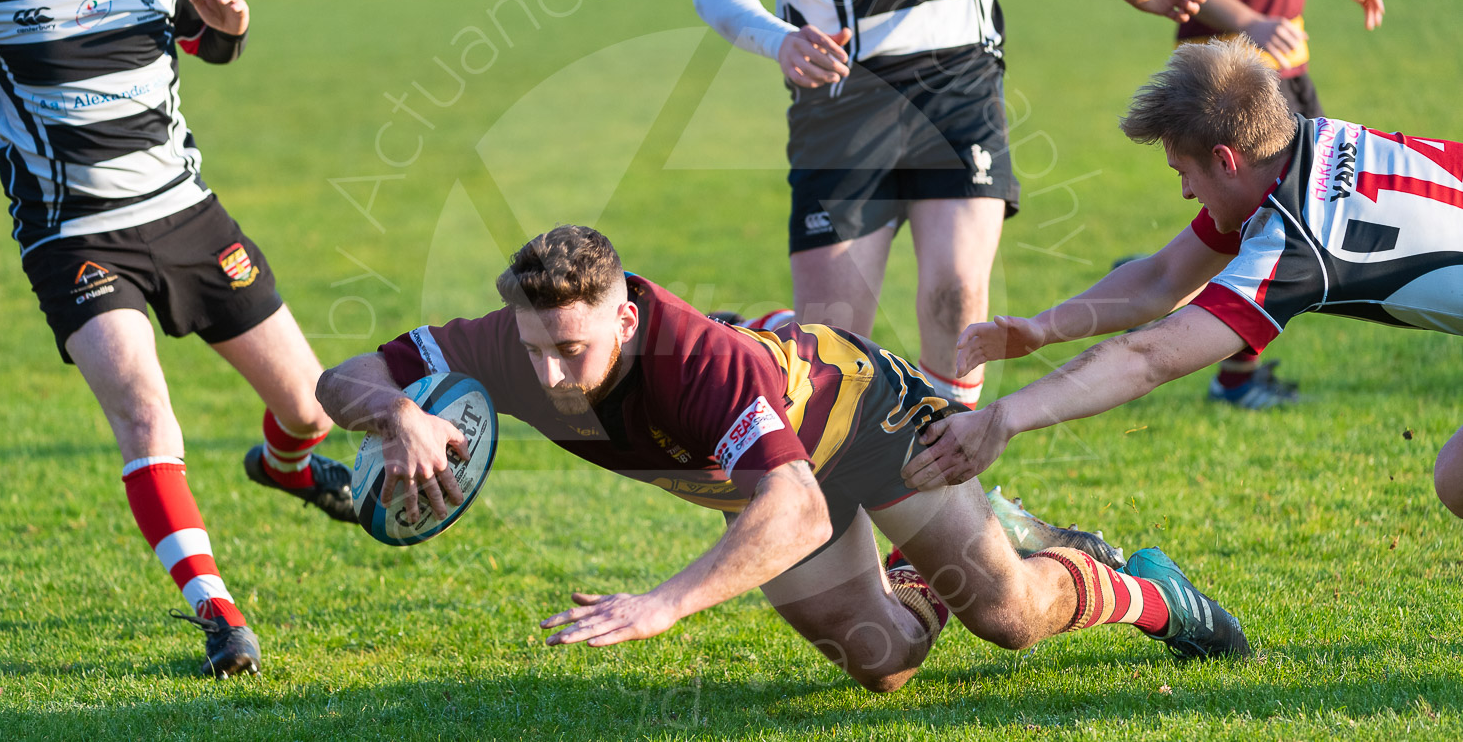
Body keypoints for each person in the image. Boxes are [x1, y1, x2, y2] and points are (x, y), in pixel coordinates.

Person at [317, 225, 1249, 693]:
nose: (551, 375)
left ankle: (1151, 592)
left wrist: (662, 604)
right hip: (771, 480)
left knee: (1009, 616)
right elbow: (337, 380)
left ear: (626, 318)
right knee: (885, 665)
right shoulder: (502, 342)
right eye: (535, 351)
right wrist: (398, 412)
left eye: (573, 350)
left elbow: (794, 509)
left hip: (867, 426)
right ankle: (925, 563)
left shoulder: (693, 363)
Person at [0, 0, 356, 677]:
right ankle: (219, 615)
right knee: (144, 415)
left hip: (188, 217)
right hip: (72, 235)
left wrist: (231, 25)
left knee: (311, 408)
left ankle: (285, 466)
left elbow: (210, 43)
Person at [906, 36, 1463, 521]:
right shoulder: (1308, 144)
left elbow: (1149, 357)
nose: (1185, 192)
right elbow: (1162, 277)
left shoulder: (1297, 240)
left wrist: (1002, 418)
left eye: (1185, 172)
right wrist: (1042, 329)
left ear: (1225, 160)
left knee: (1456, 478)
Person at [691, 0, 1211, 412]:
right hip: (841, 98)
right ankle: (761, 334)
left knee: (957, 292)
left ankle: (947, 456)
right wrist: (780, 40)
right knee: (830, 344)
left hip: (959, 81)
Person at [1150, 0, 1385, 409]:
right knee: (1262, 233)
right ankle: (1225, 365)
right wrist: (1249, 20)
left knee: (1290, 226)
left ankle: (1175, 296)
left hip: (1286, 69)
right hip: (1227, 84)